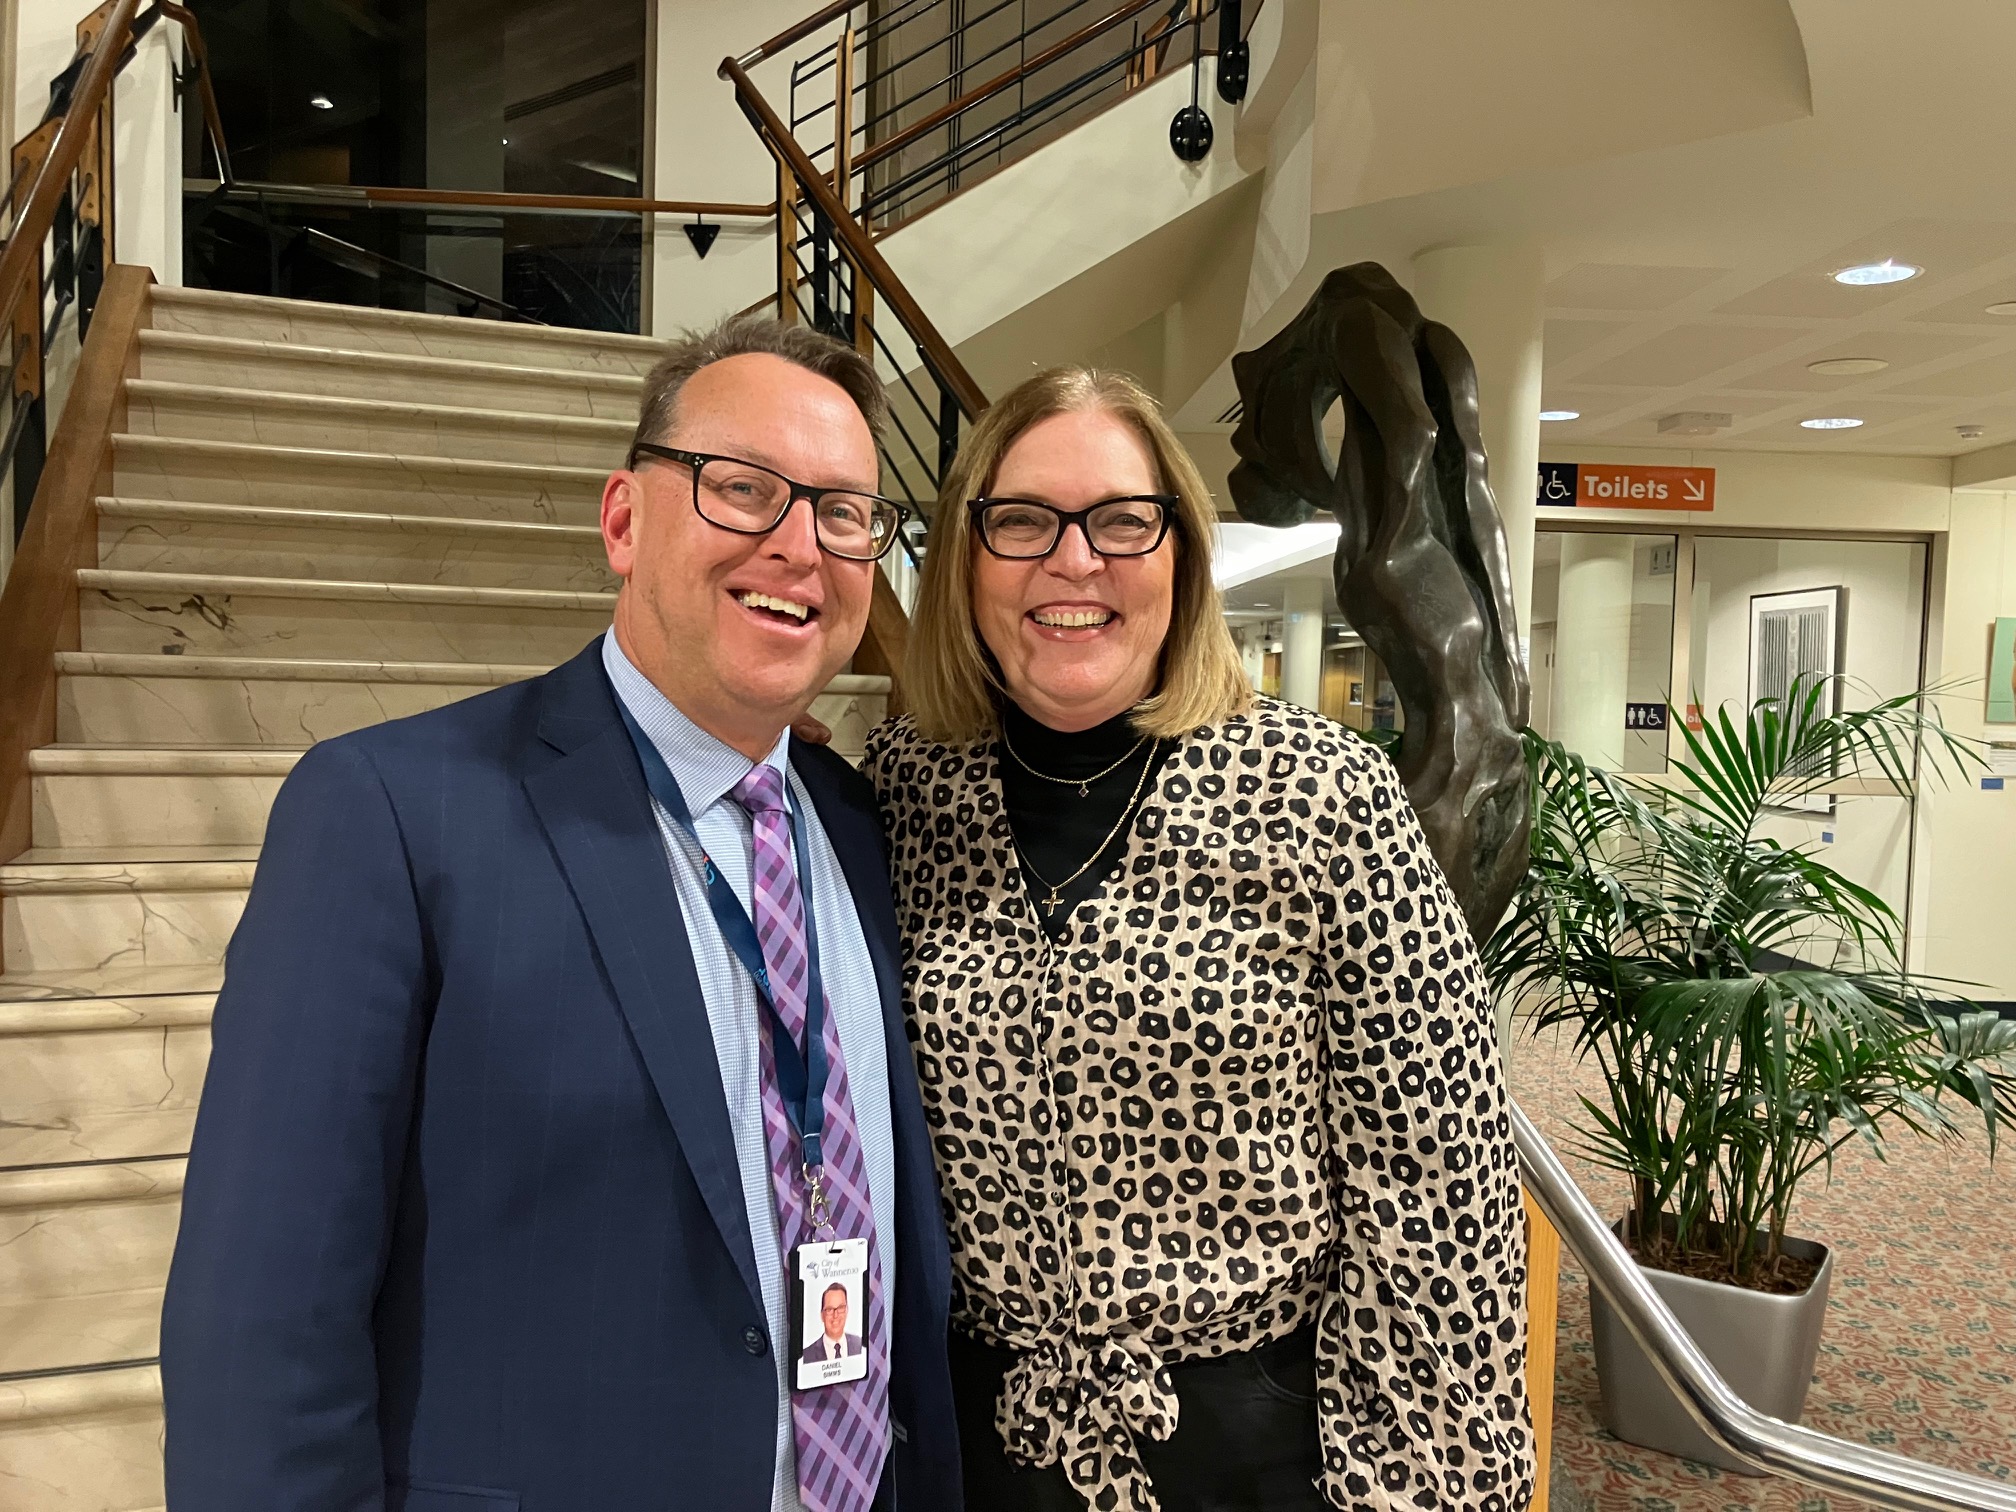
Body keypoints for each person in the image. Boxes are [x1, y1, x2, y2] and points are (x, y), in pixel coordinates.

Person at [160, 316, 960, 1512]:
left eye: (844, 511)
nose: (800, 544)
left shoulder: (858, 822)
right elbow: (260, 1328)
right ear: (626, 522)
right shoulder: (391, 813)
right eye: (744, 490)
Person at [860, 369, 1535, 1512]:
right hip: (966, 1456)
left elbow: (1442, 1205)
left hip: (1253, 1458)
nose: (1074, 561)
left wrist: (1410, 1491)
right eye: (1021, 520)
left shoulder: (1324, 795)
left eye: (1124, 519)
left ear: (1181, 551)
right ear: (967, 560)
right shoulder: (902, 792)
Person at [804, 1283, 868, 1364]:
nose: (835, 1315)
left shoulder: (860, 1346)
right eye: (830, 1309)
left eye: (841, 1308)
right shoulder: (807, 1356)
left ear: (846, 1311)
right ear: (822, 1315)